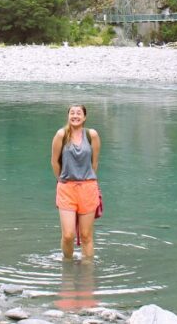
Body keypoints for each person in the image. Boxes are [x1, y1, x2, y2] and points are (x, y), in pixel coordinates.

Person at [51, 104, 101, 259]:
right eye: (72, 113)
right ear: (68, 116)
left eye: (79, 113)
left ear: (84, 117)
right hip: (66, 188)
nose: (75, 116)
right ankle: (67, 266)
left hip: (88, 188)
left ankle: (87, 269)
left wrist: (89, 180)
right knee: (68, 235)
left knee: (86, 235)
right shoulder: (61, 135)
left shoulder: (91, 135)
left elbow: (94, 163)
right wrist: (61, 180)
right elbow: (54, 161)